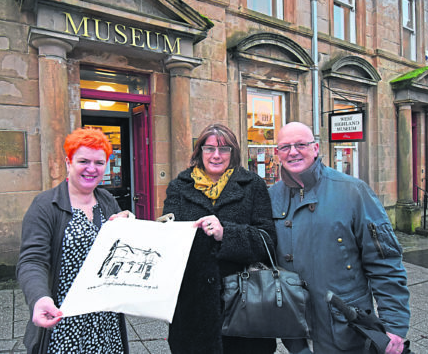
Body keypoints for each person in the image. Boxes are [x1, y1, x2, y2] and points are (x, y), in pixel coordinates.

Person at [269, 122, 410, 354]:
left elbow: (385, 262)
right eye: (285, 147)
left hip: (346, 328)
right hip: (296, 331)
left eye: (300, 145)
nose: (293, 152)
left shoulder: (353, 191)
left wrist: (394, 325)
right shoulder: (271, 197)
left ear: (315, 149)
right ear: (277, 154)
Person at [162, 124, 277, 354]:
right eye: (210, 148)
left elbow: (267, 241)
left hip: (245, 306)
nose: (216, 155)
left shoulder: (253, 186)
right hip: (192, 309)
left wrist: (227, 233)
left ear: (233, 153)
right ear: (199, 152)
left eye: (224, 149)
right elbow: (168, 238)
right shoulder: (178, 186)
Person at [17, 128, 131, 354]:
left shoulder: (106, 200)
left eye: (99, 162)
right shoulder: (45, 205)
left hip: (105, 320)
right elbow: (32, 261)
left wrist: (128, 225)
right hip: (63, 319)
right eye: (83, 161)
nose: (92, 169)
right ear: (68, 162)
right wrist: (39, 298)